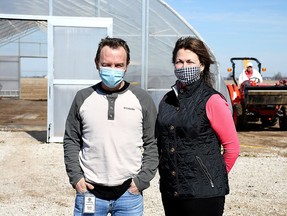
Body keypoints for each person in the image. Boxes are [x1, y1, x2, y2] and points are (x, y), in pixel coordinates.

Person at [63, 37, 158, 216]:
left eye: (118, 65)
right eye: (106, 64)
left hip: (128, 195)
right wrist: (75, 177)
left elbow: (152, 142)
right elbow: (71, 140)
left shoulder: (142, 99)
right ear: (97, 63)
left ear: (127, 65)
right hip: (89, 192)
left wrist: (142, 181)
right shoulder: (83, 98)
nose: (112, 70)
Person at [156, 36, 240, 216]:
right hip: (172, 191)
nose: (184, 66)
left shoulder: (212, 100)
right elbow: (161, 141)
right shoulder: (167, 100)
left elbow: (232, 148)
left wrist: (212, 176)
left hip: (204, 195)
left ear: (202, 65)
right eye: (179, 62)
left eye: (190, 61)